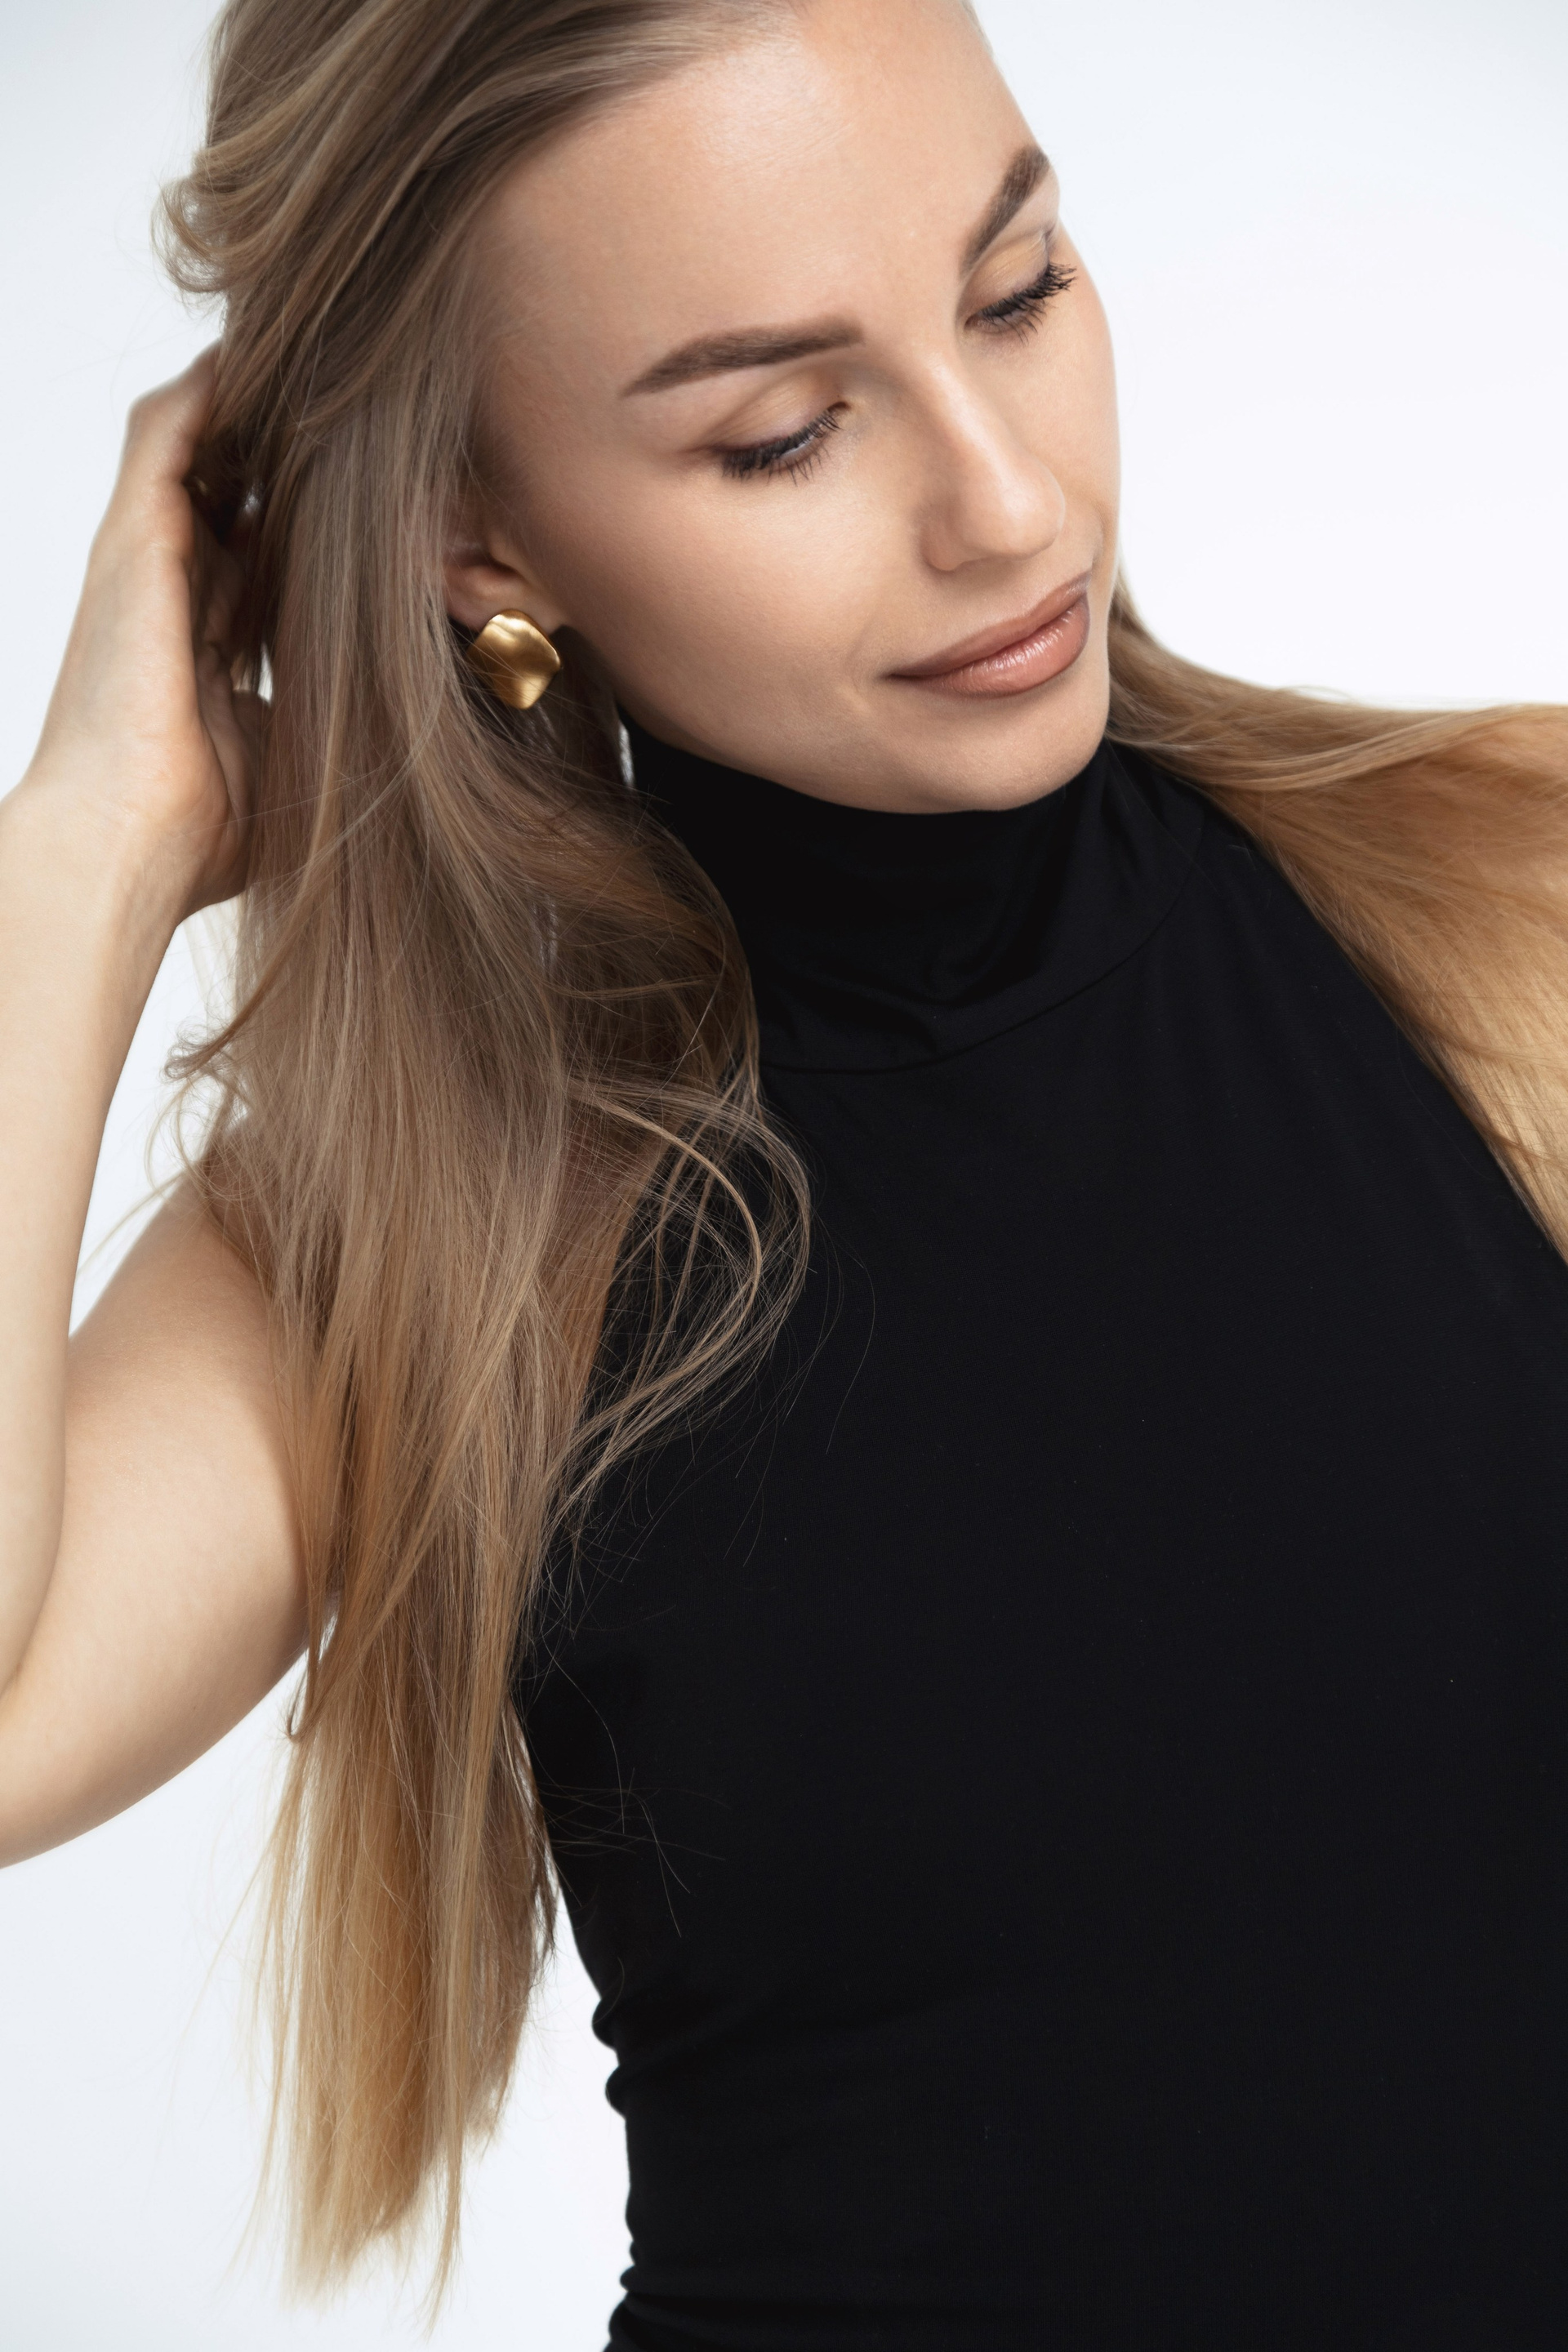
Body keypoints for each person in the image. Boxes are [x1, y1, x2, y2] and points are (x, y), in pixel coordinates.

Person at [2, 0, 1566, 2343]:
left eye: (1019, 291)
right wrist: (95, 833)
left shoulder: (1515, 901)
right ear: (476, 537)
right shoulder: (432, 1230)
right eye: (785, 431)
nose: (1007, 503)